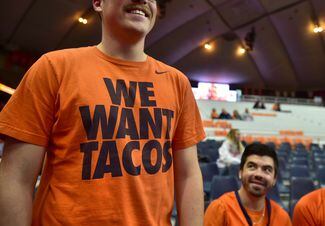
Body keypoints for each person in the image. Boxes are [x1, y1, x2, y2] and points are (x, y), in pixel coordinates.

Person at [0, 1, 206, 226]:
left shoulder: (177, 83)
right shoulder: (53, 68)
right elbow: (16, 178)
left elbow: (188, 175)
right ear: (98, 3)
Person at [205, 143, 292, 226]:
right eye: (252, 166)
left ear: (274, 179)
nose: (258, 174)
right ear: (240, 172)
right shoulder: (220, 209)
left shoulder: (282, 218)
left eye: (267, 169)